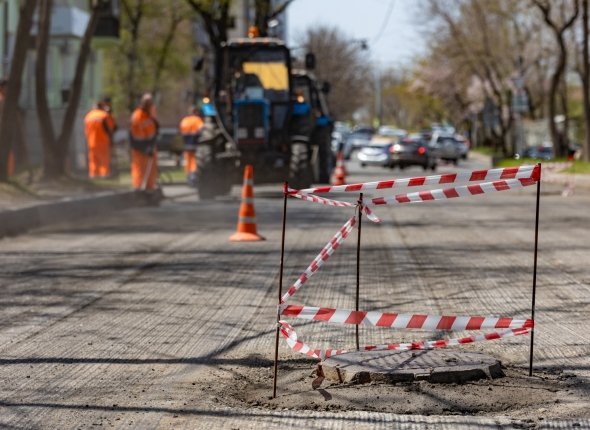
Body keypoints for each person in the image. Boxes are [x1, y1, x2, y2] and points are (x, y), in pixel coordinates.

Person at [129, 93, 159, 190]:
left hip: (150, 147)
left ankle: (150, 188)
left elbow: (153, 131)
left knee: (150, 170)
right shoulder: (138, 116)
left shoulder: (149, 116)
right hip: (140, 149)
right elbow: (135, 136)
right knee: (140, 170)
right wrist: (145, 148)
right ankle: (138, 188)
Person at [84, 100, 114, 178]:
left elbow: (86, 130)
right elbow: (111, 128)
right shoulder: (104, 115)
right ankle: (104, 175)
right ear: (101, 107)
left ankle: (93, 175)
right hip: (102, 141)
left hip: (91, 142)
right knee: (103, 160)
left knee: (93, 160)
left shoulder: (88, 116)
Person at [178, 106, 204, 184]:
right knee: (194, 161)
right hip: (195, 143)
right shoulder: (197, 120)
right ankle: (193, 177)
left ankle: (188, 177)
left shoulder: (184, 120)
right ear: (196, 112)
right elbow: (202, 129)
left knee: (188, 160)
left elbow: (181, 131)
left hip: (186, 144)